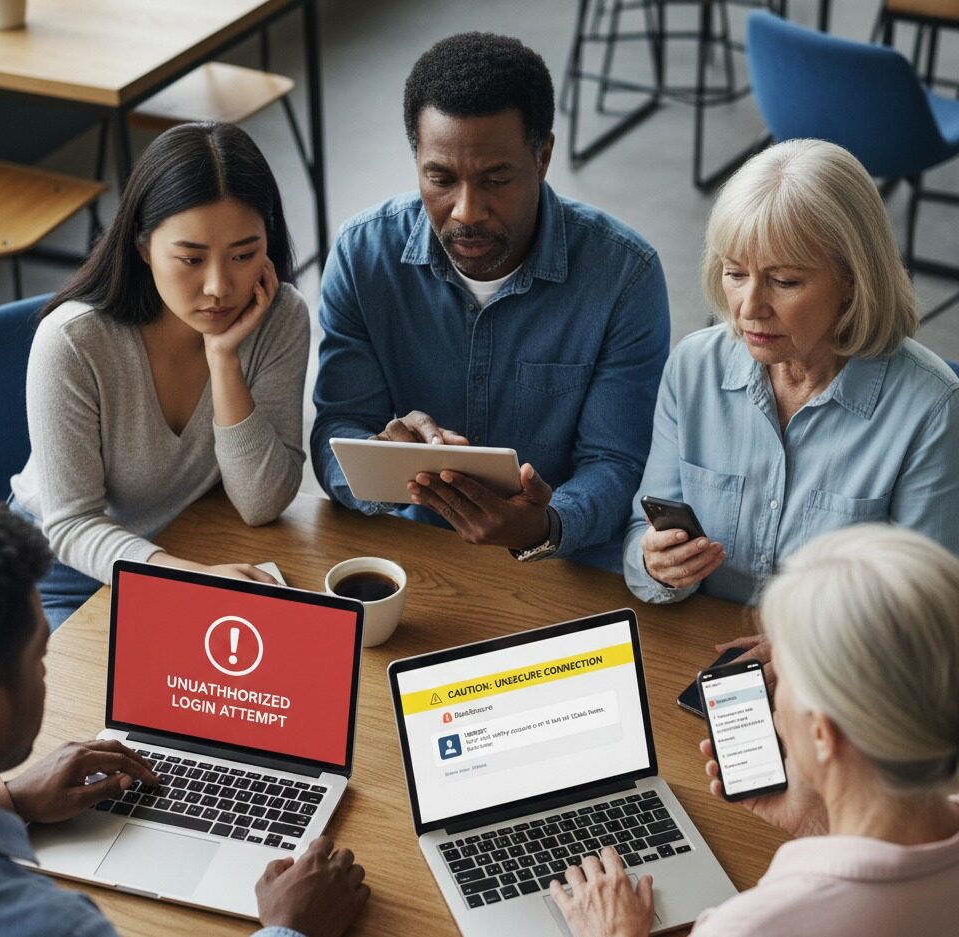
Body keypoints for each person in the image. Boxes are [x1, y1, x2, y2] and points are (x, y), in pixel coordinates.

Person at [310, 32, 669, 571]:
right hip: (417, 556)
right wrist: (383, 467)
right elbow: (336, 430)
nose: (466, 211)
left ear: (543, 156)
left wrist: (545, 526)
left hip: (562, 566)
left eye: (496, 179)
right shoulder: (364, 258)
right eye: (440, 179)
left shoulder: (623, 276)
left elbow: (617, 464)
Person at [0, 499, 370, 937]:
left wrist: (9, 800)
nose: (45, 670)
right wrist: (292, 928)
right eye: (40, 656)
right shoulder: (44, 923)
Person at [554, 524, 959, 937]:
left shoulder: (749, 926)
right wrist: (819, 826)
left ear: (822, 733)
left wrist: (616, 933)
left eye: (779, 679)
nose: (775, 703)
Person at [623, 139, 958, 623]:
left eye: (784, 282)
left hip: (840, 678)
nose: (749, 308)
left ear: (852, 279)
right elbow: (641, 532)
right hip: (703, 646)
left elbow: (927, 612)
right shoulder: (693, 368)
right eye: (735, 274)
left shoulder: (931, 407)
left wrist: (807, 653)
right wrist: (657, 564)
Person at [10, 122, 311, 630]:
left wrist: (224, 360)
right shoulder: (73, 342)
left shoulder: (279, 317)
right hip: (60, 569)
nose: (219, 287)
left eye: (243, 255)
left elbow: (262, 503)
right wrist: (190, 578)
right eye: (191, 259)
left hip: (185, 539)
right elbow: (73, 524)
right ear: (143, 246)